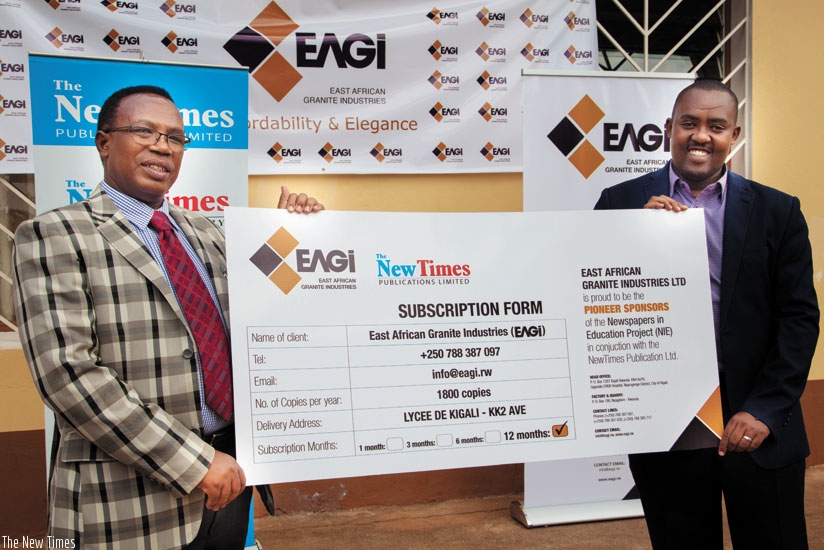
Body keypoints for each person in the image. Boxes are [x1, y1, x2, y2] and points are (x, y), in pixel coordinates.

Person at [12, 85, 323, 549]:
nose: (162, 145)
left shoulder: (209, 234)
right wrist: (193, 462)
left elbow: (262, 315)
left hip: (231, 481)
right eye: (144, 131)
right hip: (128, 500)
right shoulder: (54, 233)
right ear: (103, 142)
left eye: (176, 138)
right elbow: (69, 374)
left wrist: (288, 230)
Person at [594, 78, 819, 549]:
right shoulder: (619, 204)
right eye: (689, 123)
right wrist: (634, 237)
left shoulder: (778, 211)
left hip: (758, 424)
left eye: (716, 126)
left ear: (733, 136)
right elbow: (591, 304)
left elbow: (799, 319)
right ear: (668, 129)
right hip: (668, 425)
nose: (702, 135)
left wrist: (764, 409)